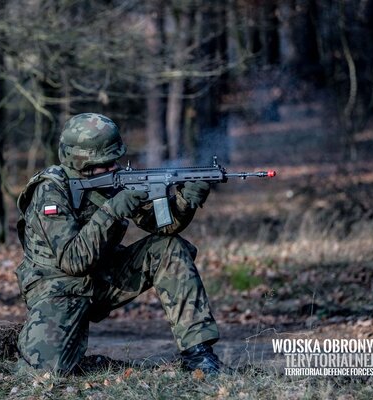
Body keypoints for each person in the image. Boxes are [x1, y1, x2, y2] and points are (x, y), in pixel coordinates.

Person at [15, 113, 223, 375]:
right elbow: (73, 260)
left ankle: (199, 355)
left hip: (104, 276)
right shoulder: (50, 190)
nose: (113, 167)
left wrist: (184, 202)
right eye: (105, 163)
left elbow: (161, 226)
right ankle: (27, 337)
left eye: (114, 160)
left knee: (169, 248)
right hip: (57, 288)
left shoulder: (113, 180)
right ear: (82, 162)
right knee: (42, 373)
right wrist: (111, 212)